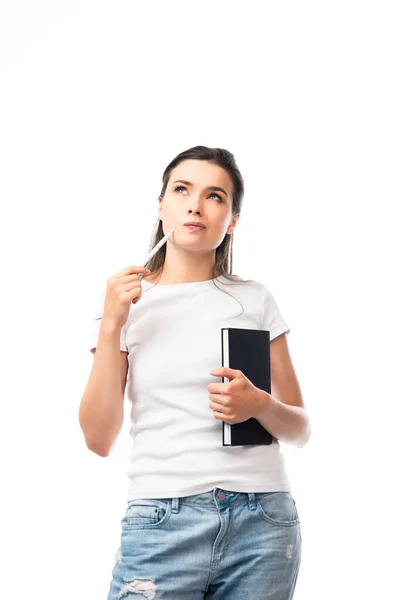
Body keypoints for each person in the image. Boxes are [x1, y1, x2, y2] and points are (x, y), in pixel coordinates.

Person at [79, 145, 310, 599]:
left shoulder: (255, 300)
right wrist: (111, 325)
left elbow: (301, 429)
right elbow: (98, 438)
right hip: (162, 520)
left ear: (232, 221)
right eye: (182, 189)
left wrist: (258, 404)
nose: (195, 205)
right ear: (161, 204)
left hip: (264, 522)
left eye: (215, 196)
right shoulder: (126, 308)